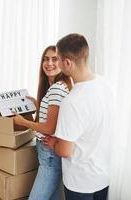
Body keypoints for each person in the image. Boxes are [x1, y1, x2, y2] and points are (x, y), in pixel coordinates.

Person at [42, 33, 114, 200]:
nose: (55, 63)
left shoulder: (73, 102)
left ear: (67, 63)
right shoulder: (105, 84)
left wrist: (54, 143)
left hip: (81, 184)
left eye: (57, 59)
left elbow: (65, 151)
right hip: (103, 176)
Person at [13, 45, 72, 200]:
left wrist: (23, 122)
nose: (49, 63)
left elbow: (49, 127)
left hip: (50, 155)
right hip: (48, 152)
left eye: (54, 59)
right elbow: (55, 117)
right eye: (46, 59)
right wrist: (39, 104)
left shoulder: (57, 89)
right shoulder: (56, 87)